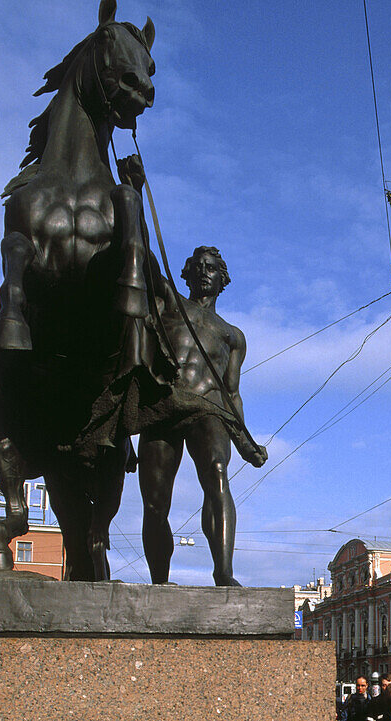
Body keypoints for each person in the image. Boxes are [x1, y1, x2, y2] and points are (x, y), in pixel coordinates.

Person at [136, 245, 266, 586]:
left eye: (212, 268)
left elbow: (232, 392)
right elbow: (143, 257)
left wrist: (245, 440)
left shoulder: (232, 335)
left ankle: (223, 573)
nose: (205, 272)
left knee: (217, 473)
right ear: (188, 273)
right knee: (154, 501)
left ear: (222, 279)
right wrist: (133, 199)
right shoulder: (168, 303)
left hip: (209, 410)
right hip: (164, 407)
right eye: (199, 266)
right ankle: (159, 583)